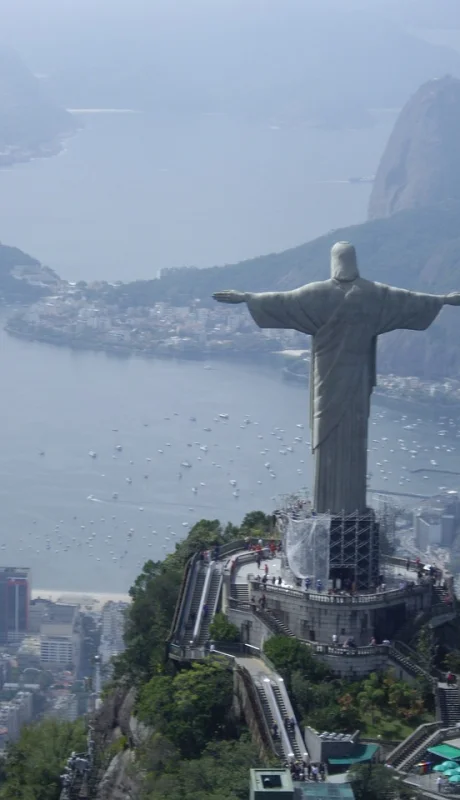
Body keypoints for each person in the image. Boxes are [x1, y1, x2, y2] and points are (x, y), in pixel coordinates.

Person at [213, 242, 460, 515]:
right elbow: (410, 300)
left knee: (327, 433)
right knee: (353, 436)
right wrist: (443, 300)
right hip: (357, 380)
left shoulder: (317, 293)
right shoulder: (374, 294)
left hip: (326, 381)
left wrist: (247, 297)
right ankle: (349, 505)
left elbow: (282, 301)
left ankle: (327, 505)